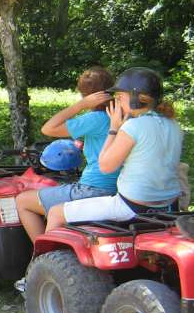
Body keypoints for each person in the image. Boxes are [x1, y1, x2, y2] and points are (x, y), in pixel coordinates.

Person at [45, 67, 183, 232]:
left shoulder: (133, 126)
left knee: (55, 213)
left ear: (136, 98)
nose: (117, 101)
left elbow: (105, 166)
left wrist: (114, 128)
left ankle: (47, 258)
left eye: (120, 96)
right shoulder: (173, 125)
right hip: (169, 206)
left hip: (132, 206)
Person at [15, 66, 119, 243]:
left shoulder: (94, 118)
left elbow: (48, 128)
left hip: (94, 188)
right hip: (120, 188)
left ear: (86, 96)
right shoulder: (123, 115)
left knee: (22, 201)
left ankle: (42, 256)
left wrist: (81, 105)